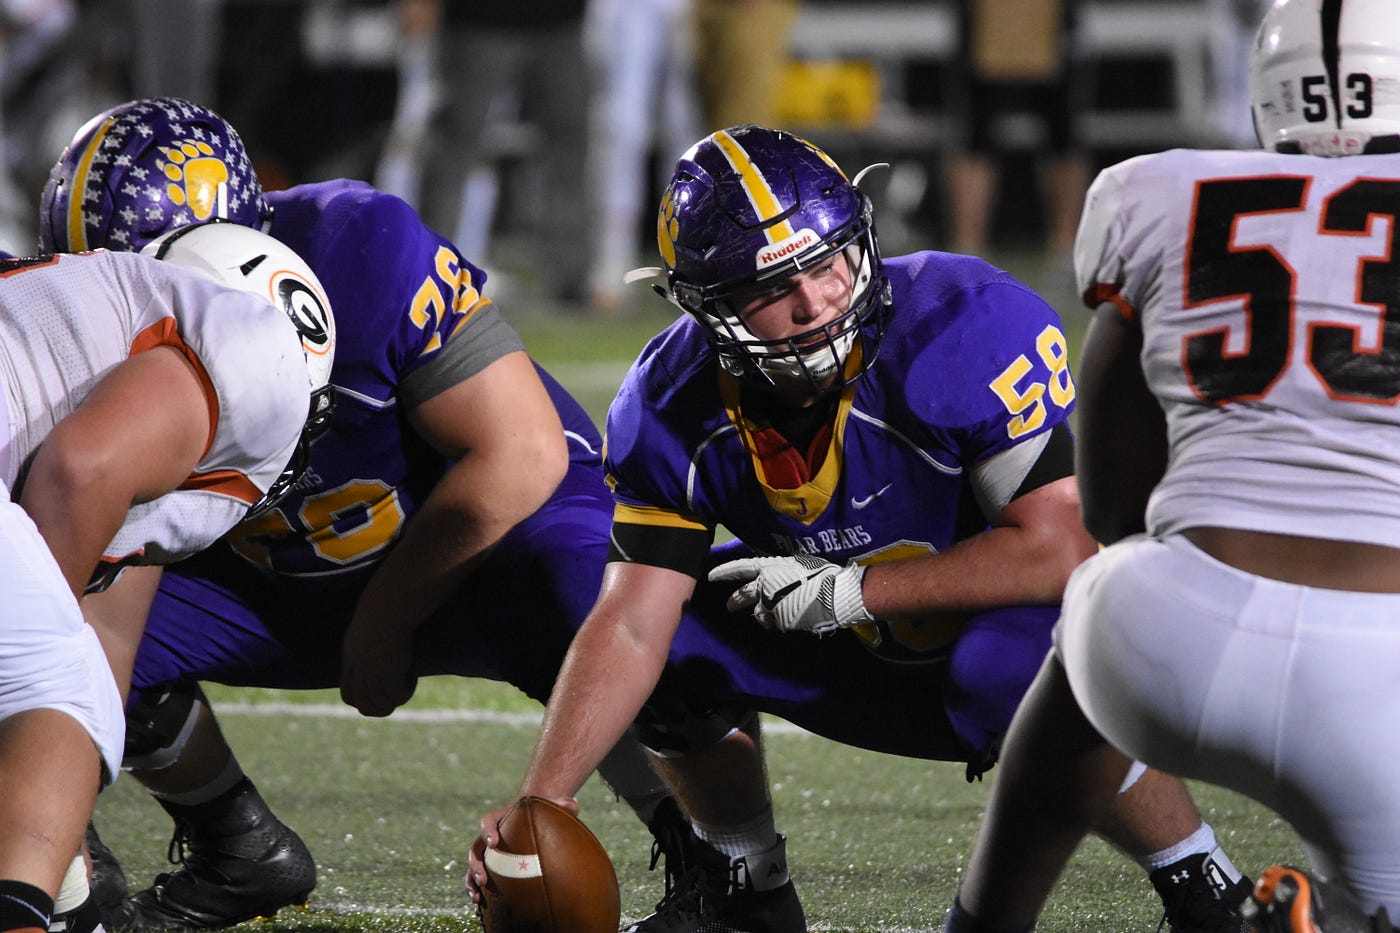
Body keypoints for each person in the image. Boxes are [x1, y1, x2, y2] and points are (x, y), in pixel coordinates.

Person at [466, 123, 1252, 933]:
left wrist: (852, 592)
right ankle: (747, 893)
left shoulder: (957, 321)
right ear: (707, 305)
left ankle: (1200, 877)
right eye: (771, 288)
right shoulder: (670, 400)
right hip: (860, 653)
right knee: (646, 623)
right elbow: (633, 623)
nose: (815, 301)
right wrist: (543, 795)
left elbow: (1064, 546)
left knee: (1004, 671)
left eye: (826, 263)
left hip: (1013, 636)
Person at [38, 95, 686, 931]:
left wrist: (383, 623)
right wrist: (53, 814)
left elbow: (521, 455)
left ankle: (714, 859)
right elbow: (104, 601)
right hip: (268, 572)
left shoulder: (357, 248)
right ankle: (236, 847)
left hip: (475, 549)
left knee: (607, 590)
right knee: (44, 638)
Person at [946, 1, 1400, 931]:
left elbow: (1111, 501)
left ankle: (983, 921)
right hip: (1378, 672)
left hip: (1169, 639)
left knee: (1099, 618)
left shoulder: (1167, 190)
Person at [0, 220, 335, 933]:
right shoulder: (260, 351)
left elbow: (105, 648)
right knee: (51, 694)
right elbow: (79, 471)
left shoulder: (85, 315)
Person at [943, 0, 1092, 289]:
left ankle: (1066, 251)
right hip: (985, 18)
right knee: (973, 136)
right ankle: (967, 253)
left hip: (1051, 18)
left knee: (1063, 137)